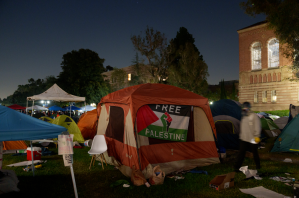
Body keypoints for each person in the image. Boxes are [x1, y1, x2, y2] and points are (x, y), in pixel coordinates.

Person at [234, 102, 261, 172]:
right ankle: (237, 166)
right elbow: (243, 127)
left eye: (245, 107)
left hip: (253, 138)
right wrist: (241, 136)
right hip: (244, 138)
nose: (244, 109)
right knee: (241, 153)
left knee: (254, 152)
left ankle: (258, 165)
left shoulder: (254, 116)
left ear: (248, 108)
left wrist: (257, 135)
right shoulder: (243, 117)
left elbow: (257, 126)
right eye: (243, 108)